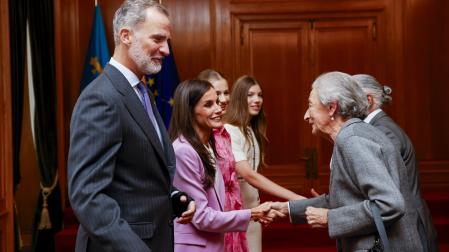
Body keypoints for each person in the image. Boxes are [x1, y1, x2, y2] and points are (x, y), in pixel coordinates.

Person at [67, 1, 194, 251]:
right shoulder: (101, 98)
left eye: (167, 40)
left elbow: (135, 175)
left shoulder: (141, 92)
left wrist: (173, 198)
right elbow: (88, 197)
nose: (166, 50)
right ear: (126, 36)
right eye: (158, 39)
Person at [272, 71, 425, 251]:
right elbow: (345, 200)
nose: (306, 115)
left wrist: (330, 218)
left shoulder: (352, 140)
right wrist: (287, 209)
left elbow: (389, 204)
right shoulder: (355, 134)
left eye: (310, 105)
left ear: (331, 108)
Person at [169, 80, 283, 252]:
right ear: (190, 111)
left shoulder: (210, 144)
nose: (218, 108)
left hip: (214, 242)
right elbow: (202, 217)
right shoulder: (183, 151)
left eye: (217, 102)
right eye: (208, 104)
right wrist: (252, 213)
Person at [353, 74, 438, 252]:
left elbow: (385, 193)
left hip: (406, 231)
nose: (344, 106)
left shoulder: (383, 131)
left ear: (368, 100)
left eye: (350, 99)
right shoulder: (376, 128)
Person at [223, 75, 304, 252]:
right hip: (234, 214)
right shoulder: (229, 130)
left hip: (254, 212)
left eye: (260, 95)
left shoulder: (251, 130)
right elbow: (248, 175)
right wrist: (296, 198)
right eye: (250, 95)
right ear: (239, 98)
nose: (257, 100)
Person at [198, 69, 248, 252]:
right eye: (217, 94)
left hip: (234, 209)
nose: (224, 99)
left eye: (226, 92)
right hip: (216, 213)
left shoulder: (224, 133)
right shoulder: (201, 139)